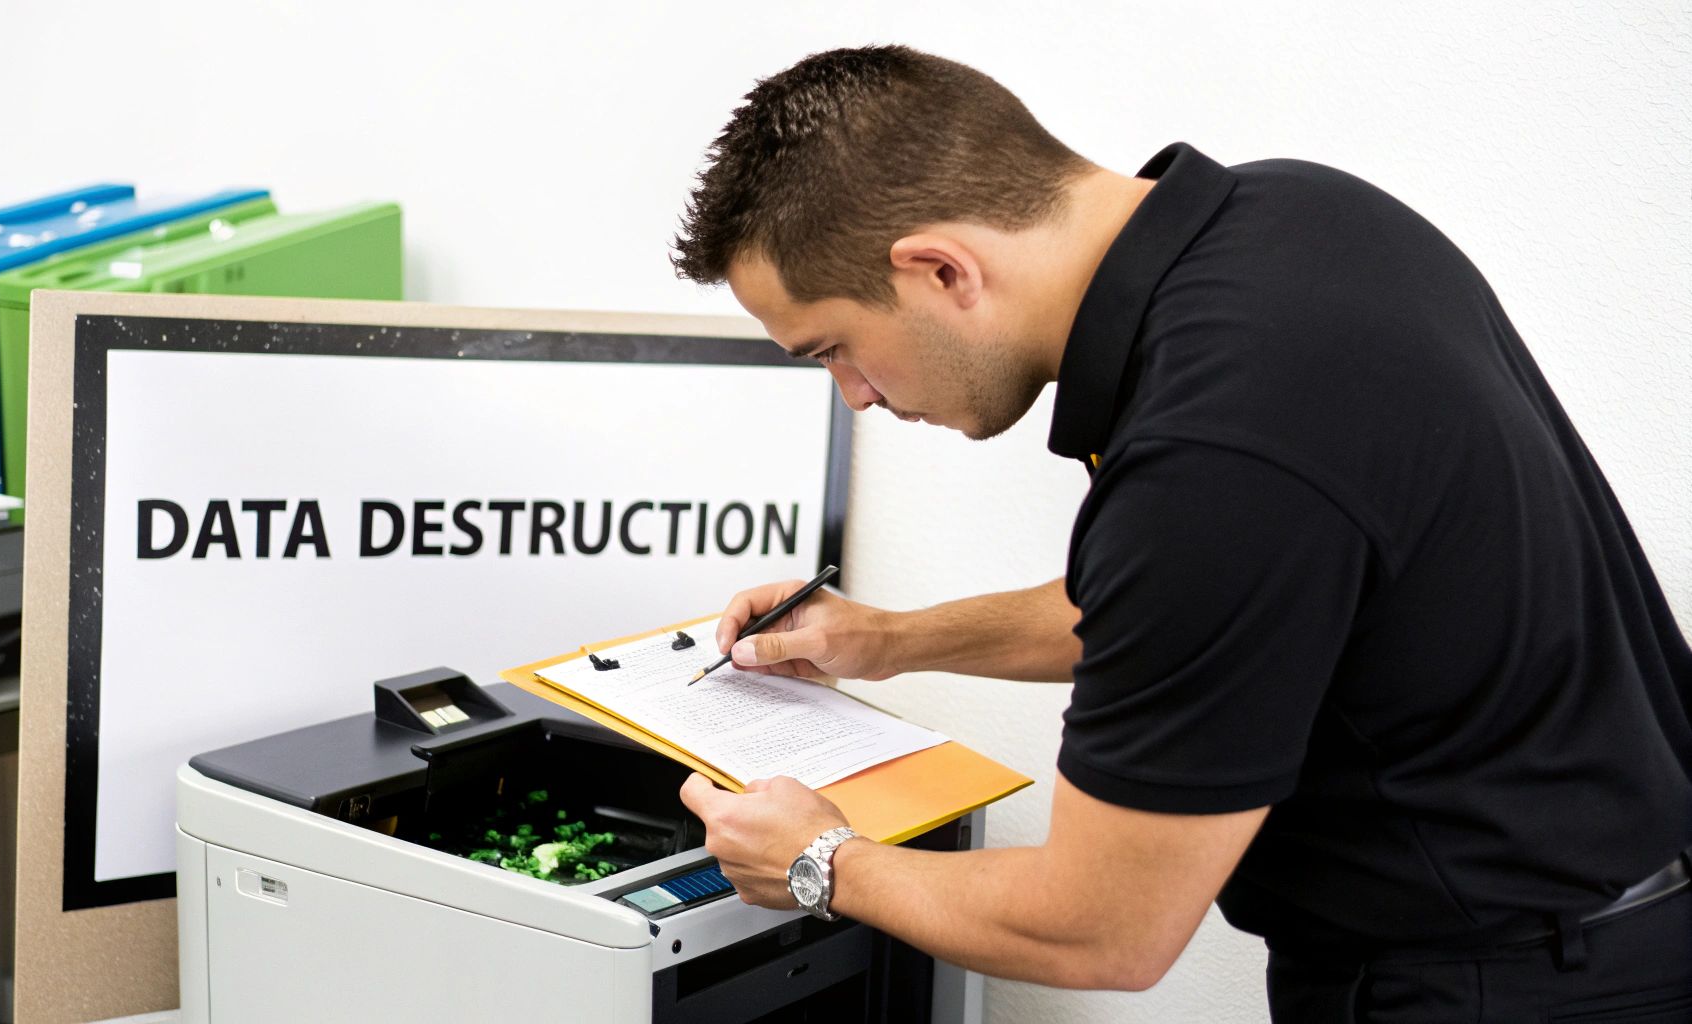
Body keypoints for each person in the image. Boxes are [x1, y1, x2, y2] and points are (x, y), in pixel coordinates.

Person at [668, 45, 1692, 1021]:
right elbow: (1188, 616)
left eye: (834, 349)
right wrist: (887, 639)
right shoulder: (1299, 214)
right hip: (1609, 923)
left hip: (1501, 987)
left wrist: (820, 861)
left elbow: (1101, 929)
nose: (854, 398)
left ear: (942, 270)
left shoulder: (1216, 447)